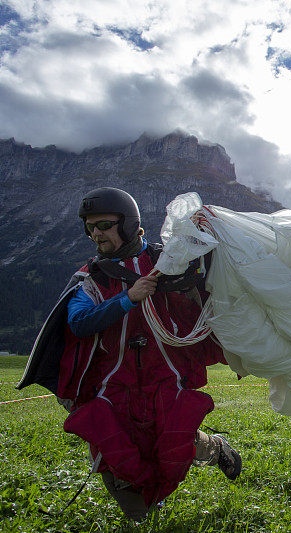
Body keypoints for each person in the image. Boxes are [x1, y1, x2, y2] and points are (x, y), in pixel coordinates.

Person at [17, 187, 241, 522]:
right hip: (113, 385)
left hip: (165, 375)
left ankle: (214, 447)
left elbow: (213, 279)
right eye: (90, 227)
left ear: (127, 223)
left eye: (104, 224)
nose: (96, 233)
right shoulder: (91, 278)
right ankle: (141, 512)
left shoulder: (170, 261)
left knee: (172, 442)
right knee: (119, 462)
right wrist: (128, 299)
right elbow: (78, 323)